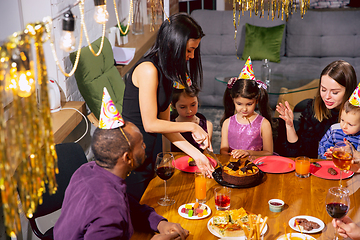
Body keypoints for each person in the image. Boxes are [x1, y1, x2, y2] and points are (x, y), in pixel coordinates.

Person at [54, 88, 189, 240]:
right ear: (127, 157)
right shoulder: (109, 210)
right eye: (141, 144)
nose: (145, 147)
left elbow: (128, 204)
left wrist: (159, 223)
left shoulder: (87, 170)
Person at [122, 13, 214, 200]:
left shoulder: (167, 72)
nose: (192, 56)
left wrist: (197, 155)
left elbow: (165, 126)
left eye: (194, 50)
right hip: (132, 155)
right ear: (174, 44)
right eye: (189, 50)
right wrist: (193, 126)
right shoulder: (148, 70)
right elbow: (150, 124)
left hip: (150, 151)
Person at [276, 60, 357, 158]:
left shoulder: (357, 115)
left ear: (348, 91)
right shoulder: (313, 109)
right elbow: (299, 155)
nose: (327, 96)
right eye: (323, 89)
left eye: (334, 92)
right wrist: (290, 126)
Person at [220, 57, 273, 158]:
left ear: (256, 100)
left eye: (249, 104)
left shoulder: (264, 124)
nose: (244, 109)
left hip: (256, 166)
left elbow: (268, 152)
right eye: (239, 104)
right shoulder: (227, 123)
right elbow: (223, 150)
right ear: (232, 99)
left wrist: (249, 153)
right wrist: (232, 156)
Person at [164, 83, 213, 153]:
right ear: (173, 105)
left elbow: (207, 153)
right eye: (183, 107)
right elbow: (166, 154)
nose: (189, 111)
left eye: (193, 105)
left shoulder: (207, 126)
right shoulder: (168, 127)